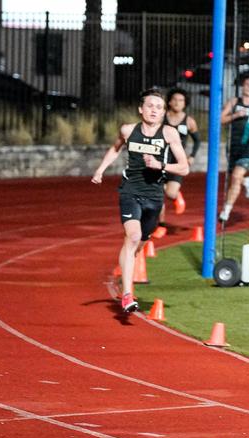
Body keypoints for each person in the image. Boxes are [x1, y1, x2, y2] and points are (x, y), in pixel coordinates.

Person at [91, 89, 190, 313]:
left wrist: (160, 165)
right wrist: (100, 170)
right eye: (150, 106)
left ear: (164, 112)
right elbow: (115, 148)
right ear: (140, 109)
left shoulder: (169, 133)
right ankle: (127, 294)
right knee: (132, 236)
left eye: (159, 107)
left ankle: (128, 264)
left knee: (140, 244)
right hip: (130, 191)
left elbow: (184, 167)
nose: (154, 110)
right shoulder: (128, 130)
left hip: (154, 197)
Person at [218, 73, 249, 223]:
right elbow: (220, 119)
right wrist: (235, 115)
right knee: (234, 181)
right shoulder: (234, 102)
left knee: (236, 176)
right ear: (243, 86)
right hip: (233, 146)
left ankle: (226, 211)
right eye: (247, 84)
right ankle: (245, 182)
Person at [159, 88, 201, 225]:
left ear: (185, 103)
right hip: (160, 159)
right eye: (175, 100)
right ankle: (161, 223)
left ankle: (177, 196)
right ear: (169, 102)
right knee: (157, 192)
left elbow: (197, 140)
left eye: (181, 100)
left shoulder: (189, 121)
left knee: (170, 194)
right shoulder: (161, 117)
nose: (177, 103)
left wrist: (192, 156)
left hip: (177, 161)